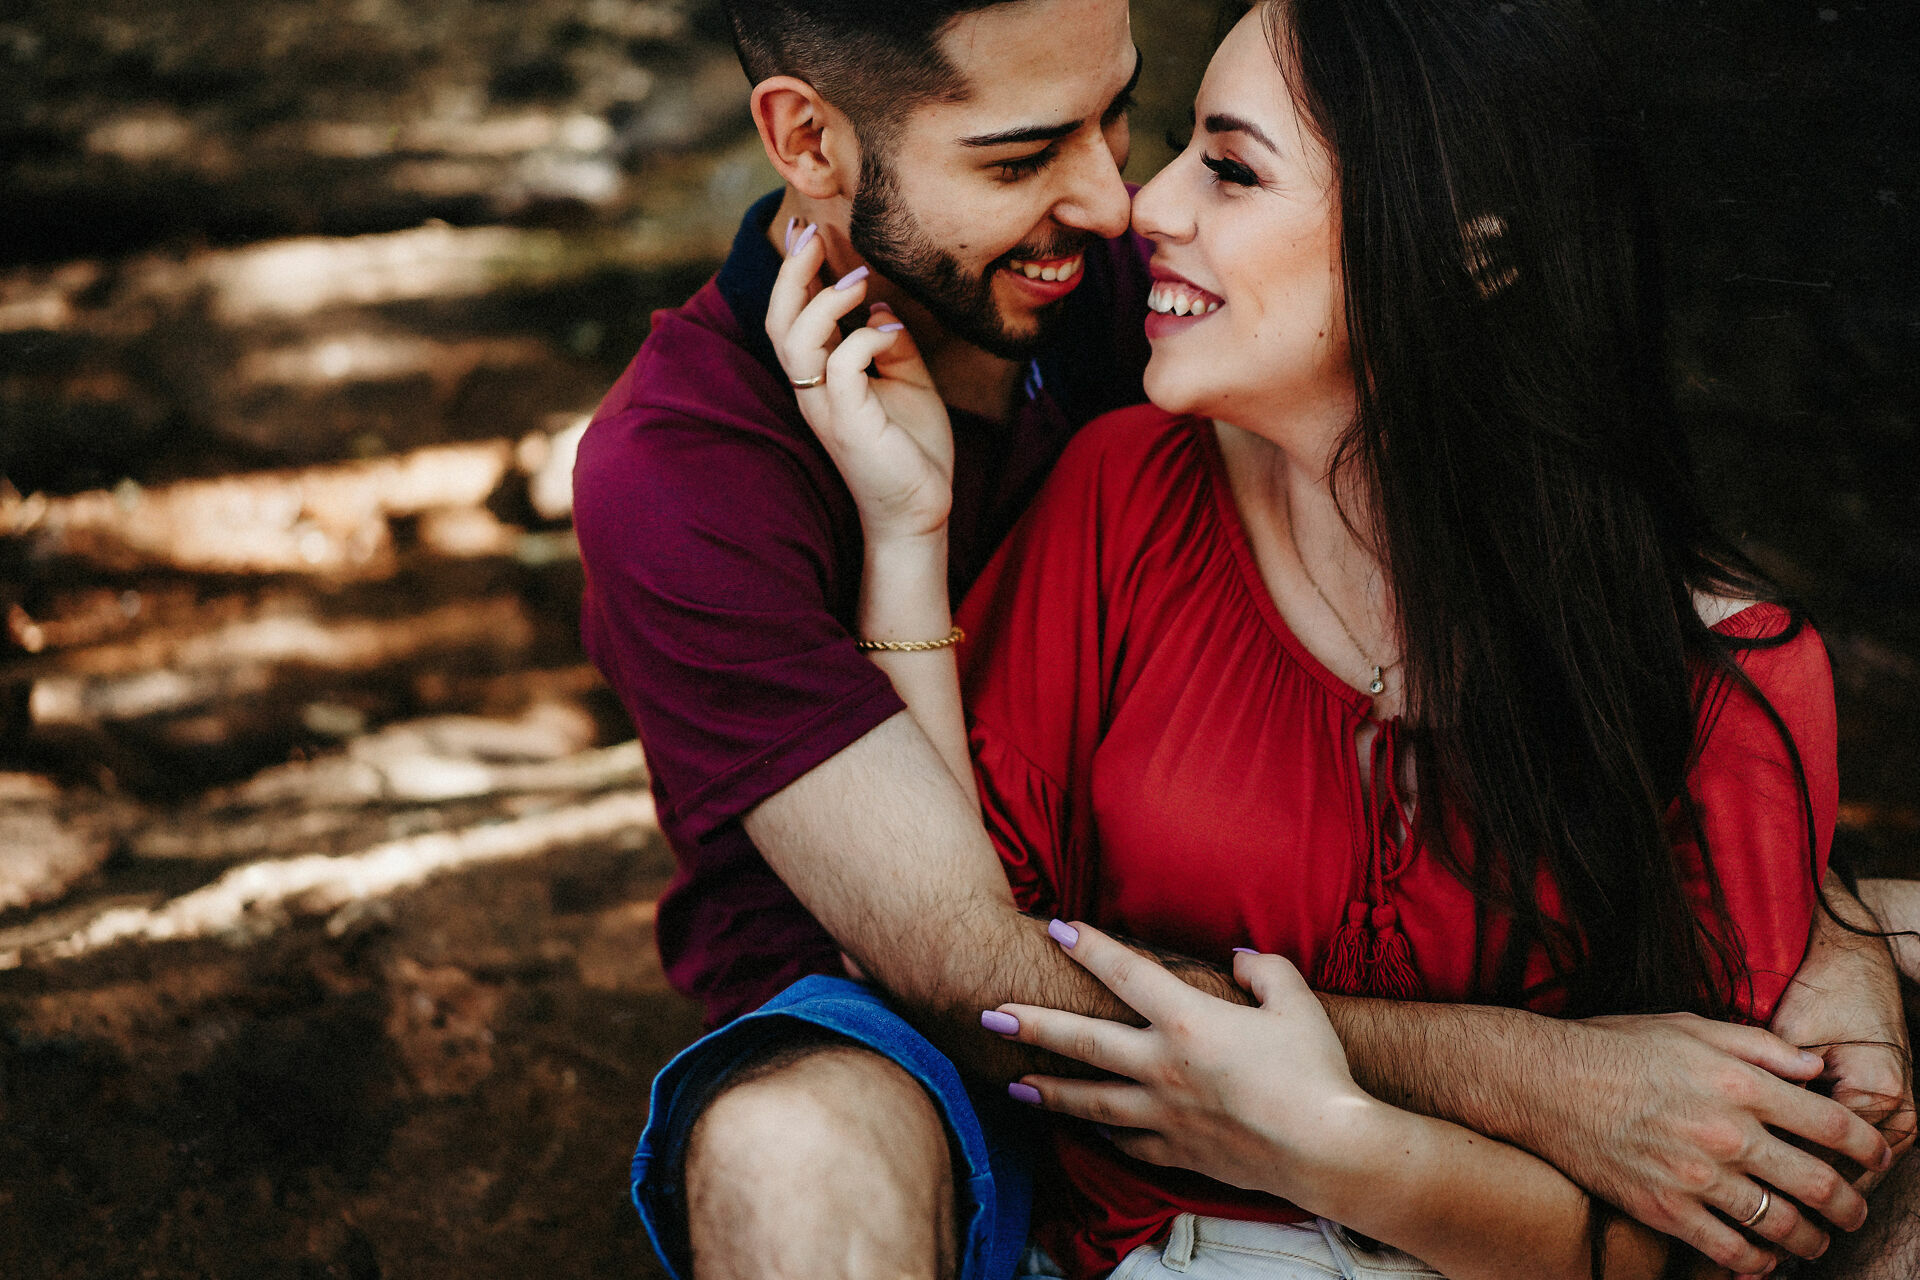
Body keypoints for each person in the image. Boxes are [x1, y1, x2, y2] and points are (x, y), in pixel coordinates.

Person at [572, 1, 1914, 1277]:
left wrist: (1833, 940)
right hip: (916, 1046)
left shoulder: (1134, 299)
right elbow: (965, 965)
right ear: (809, 141)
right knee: (797, 1153)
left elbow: (1675, 694)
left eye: (1125, 119)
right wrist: (1539, 1081)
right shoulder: (686, 475)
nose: (1118, 204)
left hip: (1327, 1082)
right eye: (1025, 153)